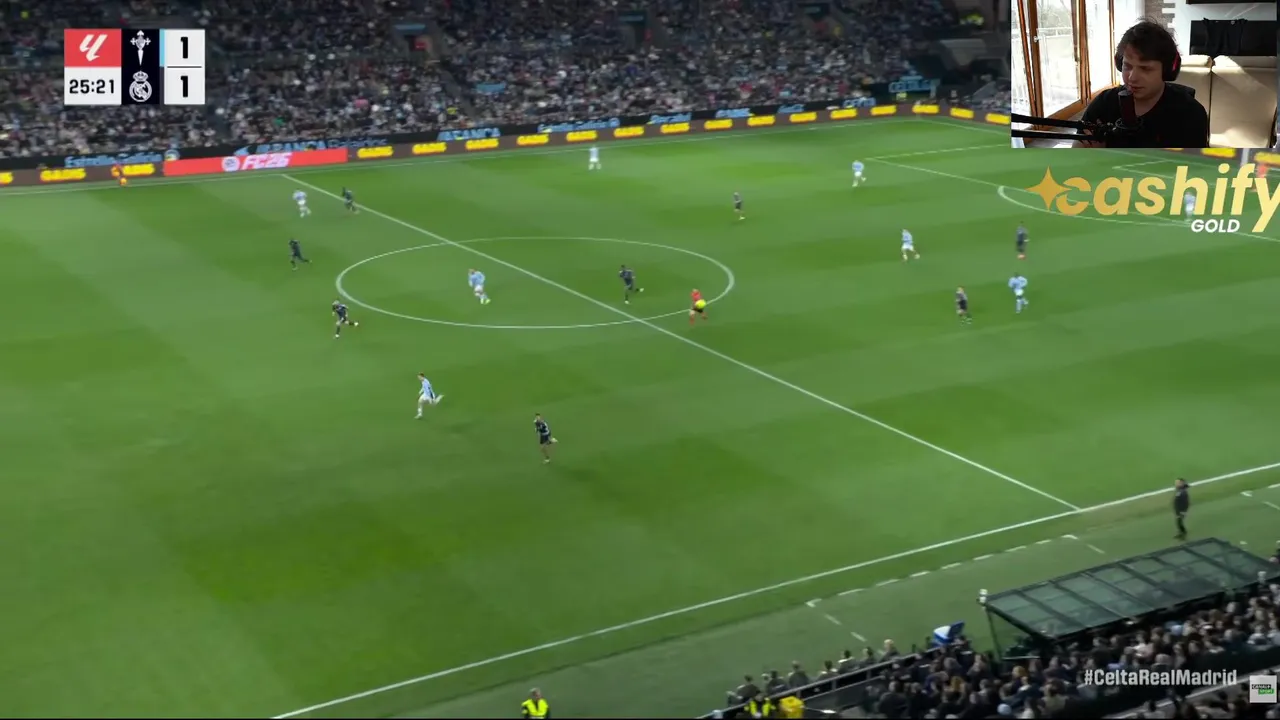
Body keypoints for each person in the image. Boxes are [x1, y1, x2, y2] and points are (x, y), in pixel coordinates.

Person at [1074, 20, 1208, 148]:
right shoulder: (1103, 104)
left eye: (1145, 69)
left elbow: (1193, 164)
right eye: (1127, 66)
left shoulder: (1190, 113)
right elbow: (1076, 152)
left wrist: (1104, 157)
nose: (1132, 78)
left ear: (1167, 71)